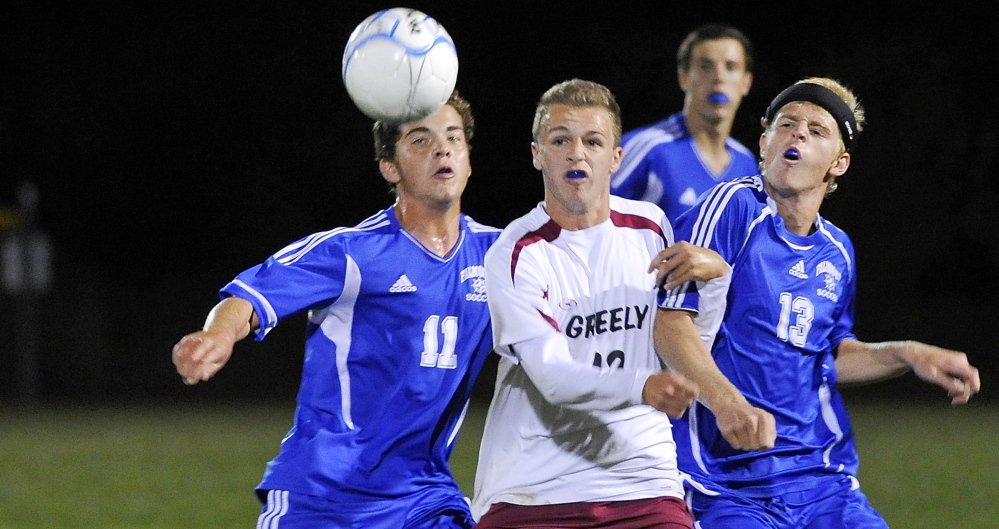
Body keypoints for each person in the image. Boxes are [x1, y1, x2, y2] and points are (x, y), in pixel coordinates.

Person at [655, 77, 982, 528]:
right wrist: (728, 403)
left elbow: (824, 356)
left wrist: (906, 353)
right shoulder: (733, 207)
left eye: (817, 129)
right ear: (764, 142)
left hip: (821, 478)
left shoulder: (838, 250)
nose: (798, 133)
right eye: (787, 123)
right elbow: (669, 323)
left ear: (838, 164)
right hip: (725, 482)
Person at [171, 91, 501, 529]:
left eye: (453, 137)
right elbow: (250, 296)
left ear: (468, 158)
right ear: (390, 168)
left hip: (424, 495)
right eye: (420, 140)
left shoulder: (500, 254)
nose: (442, 148)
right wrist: (218, 334)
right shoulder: (352, 252)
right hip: (326, 494)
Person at [471, 78, 730, 528]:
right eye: (560, 140)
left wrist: (715, 282)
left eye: (593, 141)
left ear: (614, 158)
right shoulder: (515, 251)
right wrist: (642, 387)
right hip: (534, 490)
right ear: (536, 154)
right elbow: (551, 376)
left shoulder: (651, 228)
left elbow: (686, 345)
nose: (577, 153)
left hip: (643, 484)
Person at [611, 24, 757, 224]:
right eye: (705, 66)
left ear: (746, 82)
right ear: (683, 77)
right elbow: (592, 220)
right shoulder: (648, 150)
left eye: (730, 67)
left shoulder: (746, 163)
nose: (718, 77)